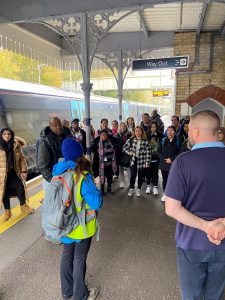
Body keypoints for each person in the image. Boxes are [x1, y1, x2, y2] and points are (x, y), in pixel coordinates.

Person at [165, 110, 225, 300]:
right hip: (223, 243)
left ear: (196, 131)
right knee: (215, 295)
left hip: (191, 243)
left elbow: (171, 208)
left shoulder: (183, 162)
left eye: (189, 129)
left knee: (192, 295)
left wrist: (206, 226)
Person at [53, 138, 102, 300]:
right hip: (81, 227)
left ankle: (67, 292)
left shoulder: (58, 172)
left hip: (64, 223)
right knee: (79, 260)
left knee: (67, 257)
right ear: (80, 154)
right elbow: (96, 202)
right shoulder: (83, 176)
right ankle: (80, 295)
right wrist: (98, 187)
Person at [0, 127, 34, 221]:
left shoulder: (16, 144)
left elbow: (22, 158)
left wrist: (24, 171)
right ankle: (7, 212)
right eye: (4, 134)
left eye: (9, 134)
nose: (7, 136)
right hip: (2, 175)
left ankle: (24, 206)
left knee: (20, 187)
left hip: (14, 172)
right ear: (1, 135)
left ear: (11, 135)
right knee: (4, 193)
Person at [36, 117, 71, 185]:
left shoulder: (67, 135)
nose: (58, 127)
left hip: (68, 174)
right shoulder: (45, 141)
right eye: (55, 125)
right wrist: (52, 180)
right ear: (50, 127)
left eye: (59, 124)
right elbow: (42, 165)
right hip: (54, 178)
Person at [123, 126, 151, 197]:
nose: (137, 132)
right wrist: (129, 152)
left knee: (141, 176)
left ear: (142, 132)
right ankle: (131, 188)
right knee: (133, 175)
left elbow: (148, 153)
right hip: (133, 160)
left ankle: (139, 189)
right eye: (136, 131)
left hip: (142, 161)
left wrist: (147, 162)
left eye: (139, 131)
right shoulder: (131, 139)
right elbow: (124, 148)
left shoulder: (145, 141)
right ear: (134, 132)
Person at [158, 126, 180, 201]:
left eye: (172, 131)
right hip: (163, 164)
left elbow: (179, 152)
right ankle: (165, 193)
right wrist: (165, 159)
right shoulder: (163, 140)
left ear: (175, 132)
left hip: (173, 164)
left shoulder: (178, 141)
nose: (170, 132)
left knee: (173, 179)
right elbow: (158, 151)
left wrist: (171, 159)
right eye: (168, 131)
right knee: (165, 179)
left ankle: (172, 194)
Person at [92, 130, 117, 194]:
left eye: (105, 135)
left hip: (110, 164)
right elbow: (95, 155)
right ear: (100, 136)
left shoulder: (111, 143)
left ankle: (109, 188)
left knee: (109, 177)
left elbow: (114, 151)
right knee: (102, 177)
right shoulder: (97, 144)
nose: (104, 136)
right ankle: (102, 190)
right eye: (102, 135)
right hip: (101, 165)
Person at [146, 121, 164, 195]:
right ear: (150, 127)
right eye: (152, 127)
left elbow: (162, 146)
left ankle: (155, 187)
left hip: (157, 157)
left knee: (155, 172)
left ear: (157, 127)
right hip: (148, 157)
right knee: (148, 172)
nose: (153, 128)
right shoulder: (146, 134)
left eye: (154, 127)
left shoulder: (161, 135)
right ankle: (148, 186)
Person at [117, 122, 131, 188]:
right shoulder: (117, 135)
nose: (122, 127)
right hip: (120, 154)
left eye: (124, 126)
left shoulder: (129, 134)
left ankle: (130, 182)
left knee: (128, 168)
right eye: (121, 126)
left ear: (126, 127)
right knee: (121, 169)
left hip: (127, 154)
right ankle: (122, 182)